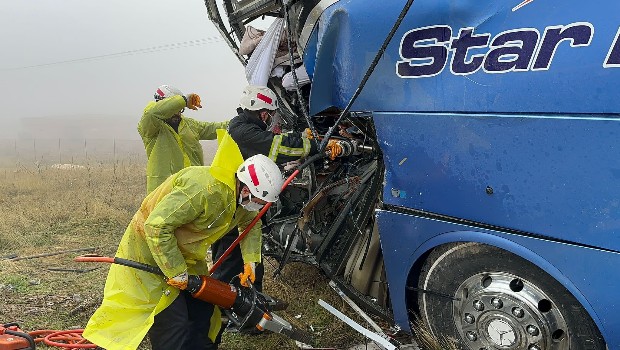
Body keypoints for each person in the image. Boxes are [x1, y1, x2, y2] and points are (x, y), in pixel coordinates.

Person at [83, 131, 284, 350]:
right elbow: (156, 227)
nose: (259, 206)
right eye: (259, 200)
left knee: (204, 312)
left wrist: (250, 261)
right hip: (150, 254)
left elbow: (250, 222)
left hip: (185, 256)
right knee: (174, 322)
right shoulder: (203, 190)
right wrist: (176, 271)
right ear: (246, 189)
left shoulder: (238, 198)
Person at [138, 84, 229, 193]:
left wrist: (241, 121)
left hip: (193, 186)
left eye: (181, 109)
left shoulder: (189, 125)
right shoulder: (150, 126)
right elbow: (152, 113)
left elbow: (214, 128)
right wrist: (184, 100)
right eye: (175, 108)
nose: (178, 113)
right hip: (163, 190)